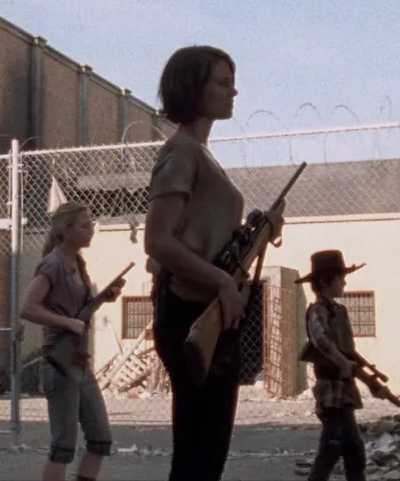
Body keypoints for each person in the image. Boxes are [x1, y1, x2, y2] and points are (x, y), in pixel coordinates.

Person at [143, 45, 284, 481]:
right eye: (222, 83)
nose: (233, 92)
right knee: (200, 455)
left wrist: (258, 235)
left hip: (206, 310)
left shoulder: (199, 155)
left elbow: (205, 240)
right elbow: (158, 240)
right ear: (193, 89)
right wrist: (222, 283)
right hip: (190, 310)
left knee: (204, 453)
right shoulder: (182, 153)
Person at [19, 201, 124, 481]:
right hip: (59, 362)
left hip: (79, 363)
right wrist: (66, 323)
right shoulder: (52, 264)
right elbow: (27, 308)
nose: (91, 230)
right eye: (85, 225)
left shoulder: (78, 263)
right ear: (66, 230)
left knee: (100, 439)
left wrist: (103, 299)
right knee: (63, 446)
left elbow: (79, 314)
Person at [296, 250, 367, 481]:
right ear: (326, 282)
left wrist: (364, 374)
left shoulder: (338, 311)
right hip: (331, 388)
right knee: (332, 446)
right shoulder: (318, 310)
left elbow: (346, 348)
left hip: (343, 388)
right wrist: (342, 362)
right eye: (340, 278)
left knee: (353, 450)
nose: (344, 283)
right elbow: (322, 341)